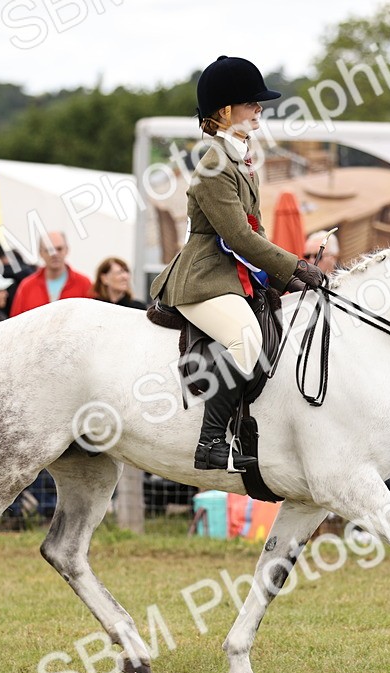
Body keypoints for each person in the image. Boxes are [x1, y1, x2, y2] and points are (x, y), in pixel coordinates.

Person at [148, 55, 325, 471]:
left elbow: (256, 231)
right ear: (226, 111)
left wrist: (283, 278)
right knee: (247, 339)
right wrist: (297, 266)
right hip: (203, 278)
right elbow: (237, 236)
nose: (260, 110)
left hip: (234, 273)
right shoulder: (213, 166)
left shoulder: (242, 159)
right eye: (253, 104)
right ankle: (210, 442)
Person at [8, 231, 93, 316]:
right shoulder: (27, 287)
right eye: (49, 250)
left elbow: (93, 319)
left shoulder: (84, 284)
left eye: (59, 249)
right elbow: (15, 323)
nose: (54, 254)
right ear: (41, 253)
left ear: (67, 250)